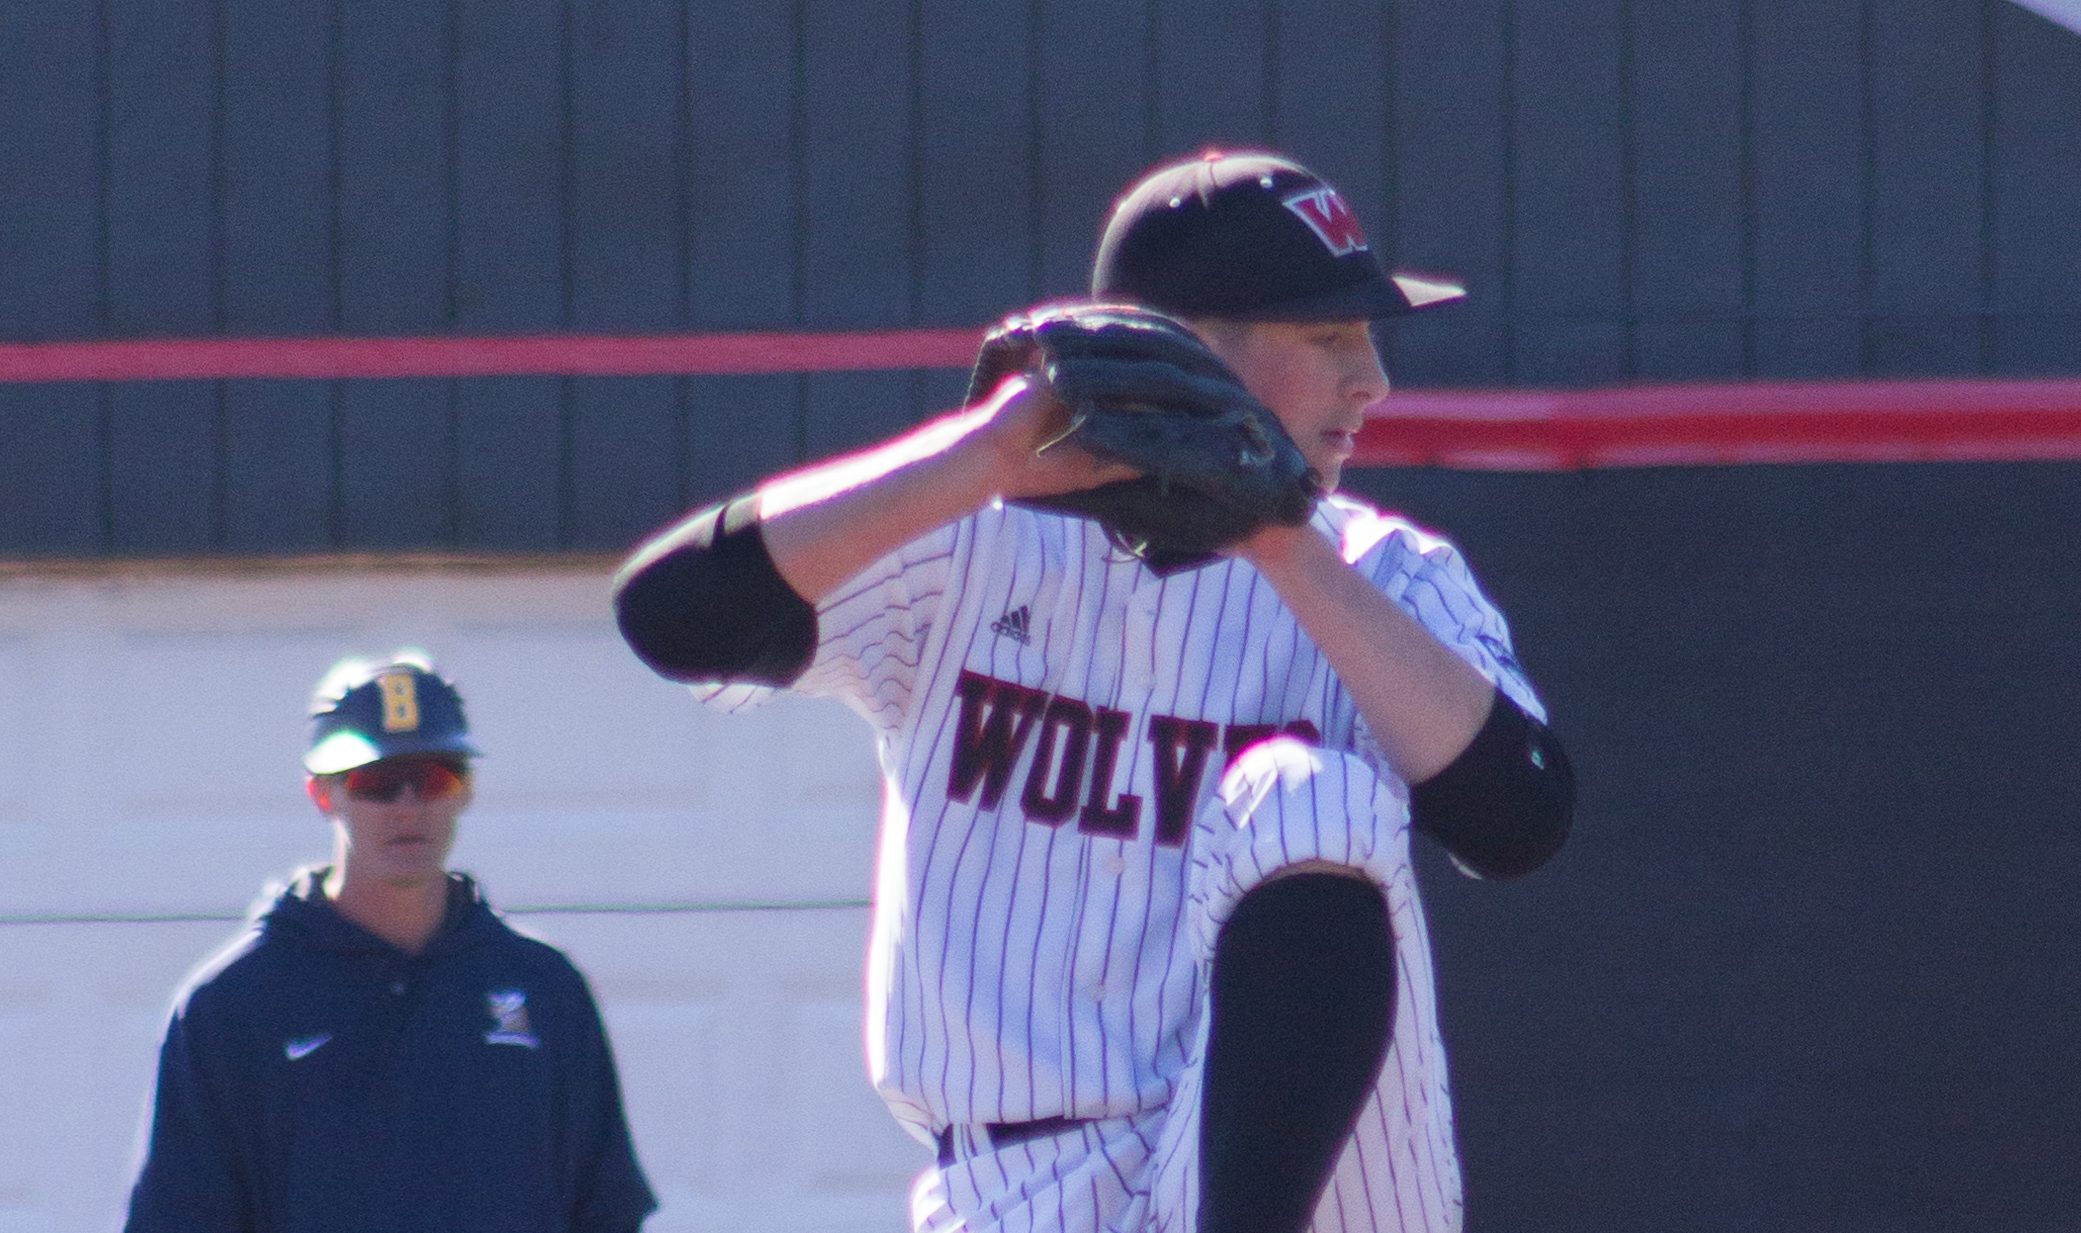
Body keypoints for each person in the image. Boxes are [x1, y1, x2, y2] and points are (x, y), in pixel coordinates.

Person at [613, 149, 1574, 1233]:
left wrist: (1279, 542)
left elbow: (1518, 822)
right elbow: (672, 618)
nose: (1373, 380)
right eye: (1328, 336)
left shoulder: (1383, 576)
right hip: (1020, 1182)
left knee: (1312, 795)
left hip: (1313, 1185)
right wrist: (984, 451)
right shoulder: (970, 544)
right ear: (1190, 350)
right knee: (1307, 789)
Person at [123, 651, 657, 1233]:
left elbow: (605, 1210)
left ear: (466, 790)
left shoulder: (545, 988)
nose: (409, 807)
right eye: (377, 782)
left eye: (433, 778)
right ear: (323, 794)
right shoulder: (231, 1005)